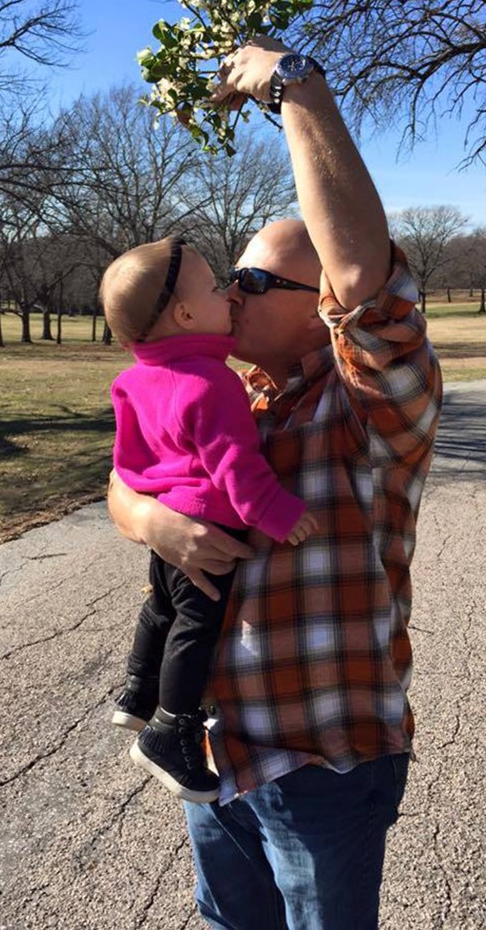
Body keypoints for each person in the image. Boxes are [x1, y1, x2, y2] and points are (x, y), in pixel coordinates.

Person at [108, 36, 442, 930]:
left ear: (320, 304)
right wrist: (151, 520)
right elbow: (124, 479)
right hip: (216, 751)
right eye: (233, 278)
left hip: (321, 764)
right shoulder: (230, 393)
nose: (235, 294)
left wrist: (297, 89)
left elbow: (369, 282)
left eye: (255, 279)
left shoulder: (370, 410)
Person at [101, 237, 317, 804]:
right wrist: (278, 514)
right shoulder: (212, 381)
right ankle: (170, 729)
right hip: (210, 528)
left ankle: (137, 691)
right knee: (197, 625)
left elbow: (129, 465)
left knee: (161, 608)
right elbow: (236, 467)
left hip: (169, 525)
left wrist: (151, 514)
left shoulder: (135, 380)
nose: (232, 295)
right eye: (220, 287)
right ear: (187, 314)